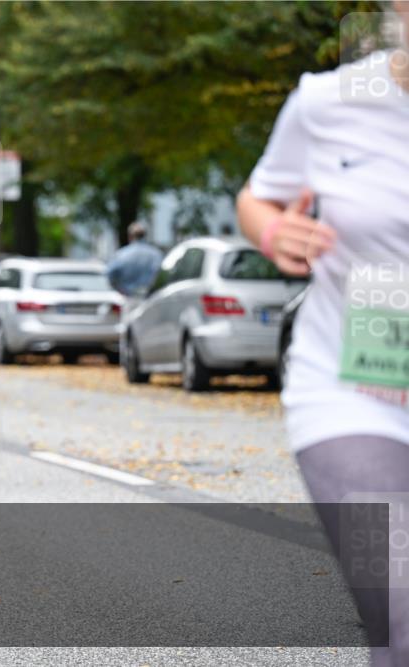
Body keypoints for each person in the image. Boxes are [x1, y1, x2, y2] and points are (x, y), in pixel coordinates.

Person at [236, 23, 409, 666]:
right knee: (397, 598)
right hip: (353, 392)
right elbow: (259, 195)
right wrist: (276, 230)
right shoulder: (328, 101)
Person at [105, 222, 163, 296]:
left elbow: (110, 274)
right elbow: (162, 276)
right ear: (145, 235)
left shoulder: (121, 254)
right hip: (150, 298)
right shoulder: (156, 254)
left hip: (128, 297)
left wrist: (119, 289)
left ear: (130, 236)